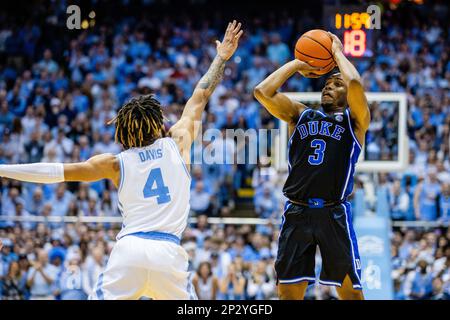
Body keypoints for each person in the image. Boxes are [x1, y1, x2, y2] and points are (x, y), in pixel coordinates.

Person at [0, 20, 243, 300]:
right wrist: (221, 57)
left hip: (130, 250)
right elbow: (201, 95)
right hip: (168, 252)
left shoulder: (116, 163)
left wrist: (4, 169)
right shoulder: (178, 142)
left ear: (124, 131)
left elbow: (56, 171)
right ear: (157, 122)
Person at [254, 32, 370, 300]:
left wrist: (338, 53)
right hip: (297, 211)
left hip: (333, 213)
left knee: (351, 295)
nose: (328, 86)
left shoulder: (355, 122)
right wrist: (298, 63)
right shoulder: (300, 114)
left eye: (335, 84)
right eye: (326, 83)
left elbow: (354, 82)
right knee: (287, 295)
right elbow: (262, 91)